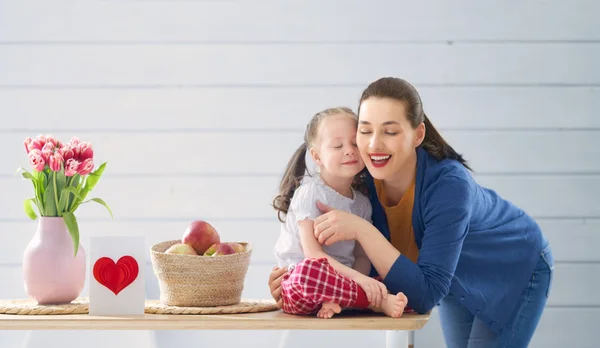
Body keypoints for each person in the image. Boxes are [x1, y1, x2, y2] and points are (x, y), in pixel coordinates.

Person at [268, 77, 554, 347]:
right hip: (451, 278)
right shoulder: (364, 182)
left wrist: (361, 230)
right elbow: (379, 274)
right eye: (365, 131)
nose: (373, 145)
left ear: (418, 134)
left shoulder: (450, 185)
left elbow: (424, 294)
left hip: (510, 263)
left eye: (390, 132)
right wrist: (301, 285)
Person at [271, 106, 408, 319]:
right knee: (308, 272)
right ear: (317, 156)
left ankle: (342, 299)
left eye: (355, 143)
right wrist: (361, 282)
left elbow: (362, 257)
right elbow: (313, 255)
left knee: (387, 281)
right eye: (338, 145)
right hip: (302, 285)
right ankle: (374, 302)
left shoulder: (362, 204)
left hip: (343, 282)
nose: (349, 150)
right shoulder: (310, 193)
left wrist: (362, 279)